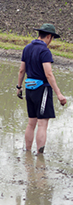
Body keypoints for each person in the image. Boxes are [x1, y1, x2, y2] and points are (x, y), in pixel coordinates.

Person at [17, 24, 67, 154]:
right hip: (42, 90)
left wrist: (19, 87)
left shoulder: (27, 48)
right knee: (42, 124)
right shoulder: (44, 51)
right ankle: (40, 156)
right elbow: (48, 74)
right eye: (52, 38)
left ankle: (27, 152)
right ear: (49, 36)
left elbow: (22, 70)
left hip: (29, 88)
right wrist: (59, 94)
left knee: (31, 123)